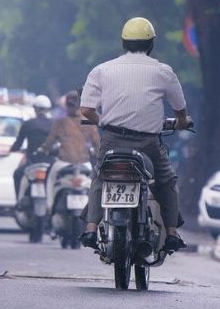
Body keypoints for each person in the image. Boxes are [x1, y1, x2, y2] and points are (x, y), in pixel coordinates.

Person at [77, 17, 191, 252]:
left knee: (100, 178)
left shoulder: (102, 70)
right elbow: (180, 109)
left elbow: (86, 109)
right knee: (166, 181)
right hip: (148, 144)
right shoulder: (163, 71)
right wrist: (181, 122)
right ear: (151, 43)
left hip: (111, 141)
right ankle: (171, 233)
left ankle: (90, 229)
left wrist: (104, 123)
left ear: (123, 42)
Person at [10, 95, 54, 198]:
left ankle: (19, 202)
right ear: (48, 109)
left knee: (17, 174)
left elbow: (18, 144)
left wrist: (12, 149)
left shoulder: (28, 124)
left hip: (32, 162)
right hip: (51, 163)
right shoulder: (55, 124)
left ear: (35, 109)